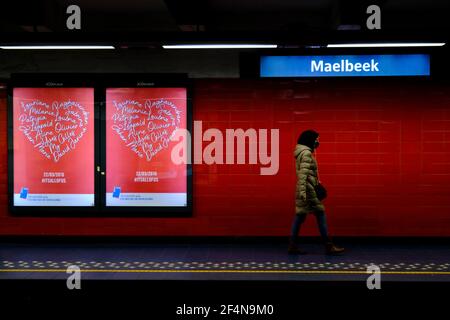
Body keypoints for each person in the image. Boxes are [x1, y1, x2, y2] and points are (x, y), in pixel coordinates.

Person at [289, 129, 345, 255]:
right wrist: (304, 192)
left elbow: (306, 173)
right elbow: (303, 175)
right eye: (316, 139)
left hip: (305, 189)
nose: (318, 141)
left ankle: (292, 245)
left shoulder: (301, 152)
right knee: (320, 214)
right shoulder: (307, 154)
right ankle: (329, 246)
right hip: (308, 191)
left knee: (299, 216)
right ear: (310, 139)